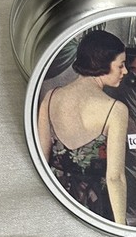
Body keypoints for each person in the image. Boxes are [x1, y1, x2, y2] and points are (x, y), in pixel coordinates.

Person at [38, 30, 130, 224]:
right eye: (121, 65)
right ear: (102, 63)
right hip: (95, 208)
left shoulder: (50, 97)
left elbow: (40, 162)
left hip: (56, 205)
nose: (125, 71)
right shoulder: (115, 110)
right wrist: (121, 227)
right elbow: (115, 178)